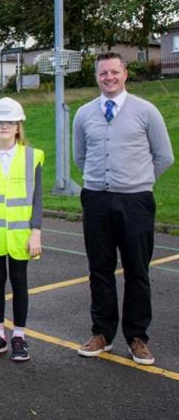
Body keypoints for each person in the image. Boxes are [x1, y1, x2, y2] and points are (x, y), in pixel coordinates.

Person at [73, 52, 174, 365]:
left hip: (135, 201)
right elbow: (80, 157)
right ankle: (102, 334)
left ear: (125, 74)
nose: (109, 78)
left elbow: (164, 157)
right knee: (99, 270)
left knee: (137, 272)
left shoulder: (146, 111)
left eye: (114, 72)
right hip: (96, 200)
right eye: (103, 73)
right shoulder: (84, 113)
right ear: (97, 77)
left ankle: (137, 338)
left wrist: (137, 182)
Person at [0, 97, 44, 362]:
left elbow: (38, 197)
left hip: (21, 233)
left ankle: (19, 336)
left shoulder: (31, 156)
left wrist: (36, 230)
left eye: (10, 122)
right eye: (0, 122)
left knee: (20, 282)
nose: (4, 126)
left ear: (18, 127)